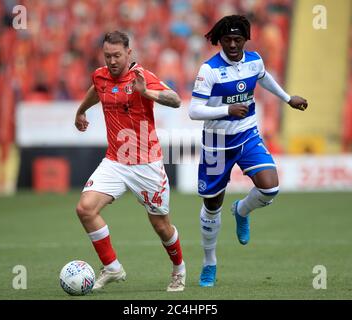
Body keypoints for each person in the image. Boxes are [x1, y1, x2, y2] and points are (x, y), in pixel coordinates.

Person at [189, 15, 308, 287]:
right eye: (227, 40)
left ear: (245, 40)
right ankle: (209, 263)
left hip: (247, 135)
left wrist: (288, 98)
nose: (232, 44)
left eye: (237, 39)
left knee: (269, 188)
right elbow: (194, 110)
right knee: (211, 206)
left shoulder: (254, 60)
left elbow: (264, 79)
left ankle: (241, 211)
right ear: (219, 41)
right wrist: (226, 110)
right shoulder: (209, 70)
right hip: (217, 142)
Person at [74, 31, 186, 292]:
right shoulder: (100, 75)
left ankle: (179, 269)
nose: (112, 61)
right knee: (85, 209)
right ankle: (112, 267)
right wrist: (81, 110)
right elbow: (97, 90)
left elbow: (176, 100)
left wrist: (147, 93)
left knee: (161, 225)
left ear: (129, 53)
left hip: (146, 163)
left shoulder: (142, 77)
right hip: (115, 161)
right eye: (108, 56)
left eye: (117, 55)